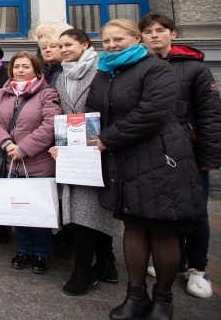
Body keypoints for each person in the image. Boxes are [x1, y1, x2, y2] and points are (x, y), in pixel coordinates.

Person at [86, 19, 204, 320]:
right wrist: (75, 139)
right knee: (134, 227)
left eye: (118, 39)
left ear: (136, 39)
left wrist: (105, 139)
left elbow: (152, 112)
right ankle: (135, 295)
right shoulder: (104, 73)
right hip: (122, 160)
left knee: (161, 229)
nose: (112, 45)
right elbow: (92, 111)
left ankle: (163, 300)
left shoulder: (156, 68)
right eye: (107, 41)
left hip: (160, 159)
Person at [138, 13, 221, 299]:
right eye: (148, 32)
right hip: (152, 152)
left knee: (195, 211)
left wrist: (209, 155)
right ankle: (178, 259)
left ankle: (198, 267)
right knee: (163, 207)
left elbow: (210, 115)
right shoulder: (141, 66)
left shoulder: (195, 68)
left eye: (160, 30)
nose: (154, 36)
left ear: (173, 33)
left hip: (187, 149)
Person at [49, 29, 121, 295]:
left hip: (100, 148)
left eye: (68, 44)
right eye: (60, 45)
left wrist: (99, 141)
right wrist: (60, 143)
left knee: (91, 210)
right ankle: (105, 264)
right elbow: (64, 115)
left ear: (85, 44)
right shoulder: (63, 75)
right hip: (74, 151)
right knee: (84, 210)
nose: (63, 49)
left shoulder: (101, 70)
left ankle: (86, 269)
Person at [0, 51, 61, 274]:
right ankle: (23, 249)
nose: (20, 70)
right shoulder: (3, 92)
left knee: (37, 209)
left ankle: (41, 253)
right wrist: (7, 144)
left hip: (37, 162)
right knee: (18, 208)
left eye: (25, 67)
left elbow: (50, 125)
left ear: (36, 70)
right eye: (17, 66)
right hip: (11, 160)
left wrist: (24, 148)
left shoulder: (47, 94)